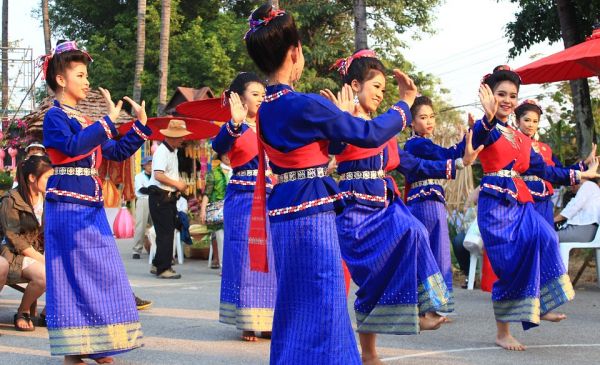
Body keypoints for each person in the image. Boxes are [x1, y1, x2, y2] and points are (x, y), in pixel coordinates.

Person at [245, 4, 418, 363]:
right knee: (325, 303)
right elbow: (369, 134)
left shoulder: (265, 109)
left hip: (283, 209)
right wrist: (404, 107)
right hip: (312, 213)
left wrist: (338, 119)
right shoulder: (305, 104)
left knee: (294, 303)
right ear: (295, 53)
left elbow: (324, 148)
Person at [320, 50, 482, 364]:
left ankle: (423, 308)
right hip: (355, 209)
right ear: (355, 84)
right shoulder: (342, 116)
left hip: (385, 205)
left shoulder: (383, 128)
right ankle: (368, 353)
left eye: (384, 89)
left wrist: (461, 161)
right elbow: (334, 148)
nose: (381, 94)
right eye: (376, 87)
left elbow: (412, 164)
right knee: (369, 280)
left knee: (415, 231)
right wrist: (340, 120)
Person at [471, 65, 600, 351]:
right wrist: (488, 117)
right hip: (495, 205)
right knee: (506, 265)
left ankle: (544, 302)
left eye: (512, 95)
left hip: (521, 202)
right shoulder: (487, 127)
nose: (506, 99)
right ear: (490, 95)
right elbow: (478, 138)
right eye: (500, 94)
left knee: (546, 236)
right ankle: (503, 332)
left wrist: (583, 173)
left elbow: (546, 170)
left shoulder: (521, 140)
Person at [42, 40, 151, 364]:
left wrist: (140, 126)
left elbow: (113, 153)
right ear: (61, 79)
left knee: (100, 271)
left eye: (86, 74)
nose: (87, 80)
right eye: (80, 74)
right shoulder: (55, 117)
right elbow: (73, 146)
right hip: (66, 205)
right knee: (71, 274)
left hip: (89, 204)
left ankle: (97, 342)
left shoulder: (85, 120)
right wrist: (106, 122)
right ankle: (75, 349)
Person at [212, 72, 277, 342]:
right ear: (239, 99)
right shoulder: (233, 127)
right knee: (245, 257)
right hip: (242, 197)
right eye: (255, 94)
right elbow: (218, 146)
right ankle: (248, 321)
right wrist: (235, 122)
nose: (261, 99)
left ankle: (270, 317)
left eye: (264, 95)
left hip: (271, 197)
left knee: (270, 258)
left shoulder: (271, 128)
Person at [404, 95, 468, 315]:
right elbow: (446, 155)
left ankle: (426, 305)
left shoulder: (419, 144)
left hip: (424, 200)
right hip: (427, 202)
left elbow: (446, 155)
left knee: (428, 250)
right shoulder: (419, 144)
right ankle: (434, 306)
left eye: (431, 116)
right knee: (436, 251)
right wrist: (466, 141)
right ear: (412, 122)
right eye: (423, 117)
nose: (429, 121)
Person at [514, 99, 597, 226]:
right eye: (527, 120)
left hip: (545, 200)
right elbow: (546, 171)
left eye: (535, 121)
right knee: (528, 237)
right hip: (522, 198)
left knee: (546, 238)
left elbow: (559, 171)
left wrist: (585, 163)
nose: (531, 124)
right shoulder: (515, 144)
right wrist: (584, 174)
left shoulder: (544, 148)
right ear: (517, 121)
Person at [0, 155, 53, 331]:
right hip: (11, 252)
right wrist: (42, 259)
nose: (50, 182)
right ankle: (23, 311)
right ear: (32, 178)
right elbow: (14, 238)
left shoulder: (47, 199)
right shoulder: (11, 199)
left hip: (33, 251)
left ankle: (49, 312)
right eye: (47, 178)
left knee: (71, 261)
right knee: (45, 274)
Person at [148, 120, 190, 279]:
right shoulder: (162, 152)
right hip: (160, 195)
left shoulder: (173, 151)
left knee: (166, 231)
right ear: (172, 137)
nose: (182, 139)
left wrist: (177, 186)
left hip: (168, 195)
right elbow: (158, 175)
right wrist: (177, 184)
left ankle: (157, 263)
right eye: (180, 137)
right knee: (165, 233)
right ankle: (163, 268)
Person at [200, 152, 231, 269]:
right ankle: (224, 268)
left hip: (234, 208)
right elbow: (207, 193)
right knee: (221, 238)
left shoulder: (238, 171)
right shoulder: (213, 173)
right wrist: (203, 210)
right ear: (220, 157)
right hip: (219, 211)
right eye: (225, 155)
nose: (227, 156)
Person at [555, 177, 600, 243]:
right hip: (585, 230)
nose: (570, 186)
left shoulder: (588, 185)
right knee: (548, 236)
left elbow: (572, 209)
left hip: (584, 230)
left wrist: (551, 220)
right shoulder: (593, 188)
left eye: (572, 182)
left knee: (546, 236)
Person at [132, 156, 153, 259]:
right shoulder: (139, 176)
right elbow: (142, 190)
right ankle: (137, 250)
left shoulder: (156, 176)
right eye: (148, 164)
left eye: (152, 164)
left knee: (157, 226)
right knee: (141, 226)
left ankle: (155, 248)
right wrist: (154, 190)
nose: (151, 166)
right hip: (143, 200)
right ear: (144, 166)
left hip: (155, 200)